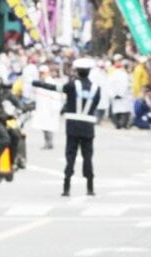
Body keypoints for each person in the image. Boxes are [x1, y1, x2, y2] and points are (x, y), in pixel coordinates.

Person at [34, 57, 101, 197]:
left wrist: (38, 84)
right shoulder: (96, 89)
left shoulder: (71, 86)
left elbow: (54, 88)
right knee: (88, 157)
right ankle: (90, 187)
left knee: (70, 156)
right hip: (88, 126)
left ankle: (67, 187)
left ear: (77, 71)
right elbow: (95, 105)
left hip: (73, 126)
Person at [32, 64, 63, 149]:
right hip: (42, 107)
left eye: (42, 73)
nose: (41, 75)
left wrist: (55, 108)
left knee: (49, 126)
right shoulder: (40, 82)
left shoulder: (51, 82)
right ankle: (47, 142)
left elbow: (56, 96)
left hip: (50, 108)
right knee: (44, 126)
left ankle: (49, 143)